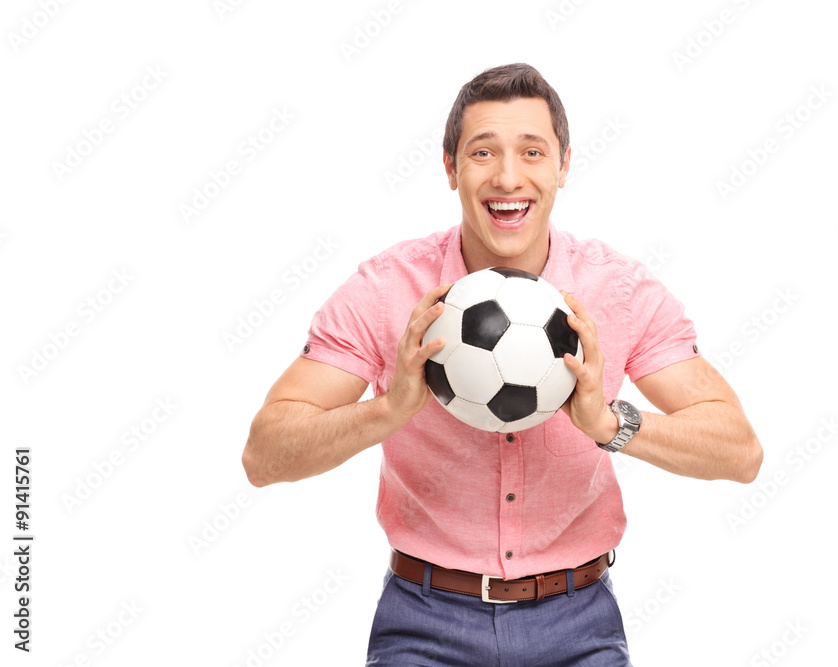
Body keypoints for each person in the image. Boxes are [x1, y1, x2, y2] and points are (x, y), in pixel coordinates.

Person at [242, 62, 762, 666]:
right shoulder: (386, 291)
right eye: (483, 152)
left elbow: (740, 452)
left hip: (579, 620)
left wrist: (608, 421)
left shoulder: (618, 290)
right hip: (424, 622)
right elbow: (263, 456)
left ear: (564, 166)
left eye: (533, 152)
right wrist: (390, 409)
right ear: (450, 168)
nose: (508, 177)